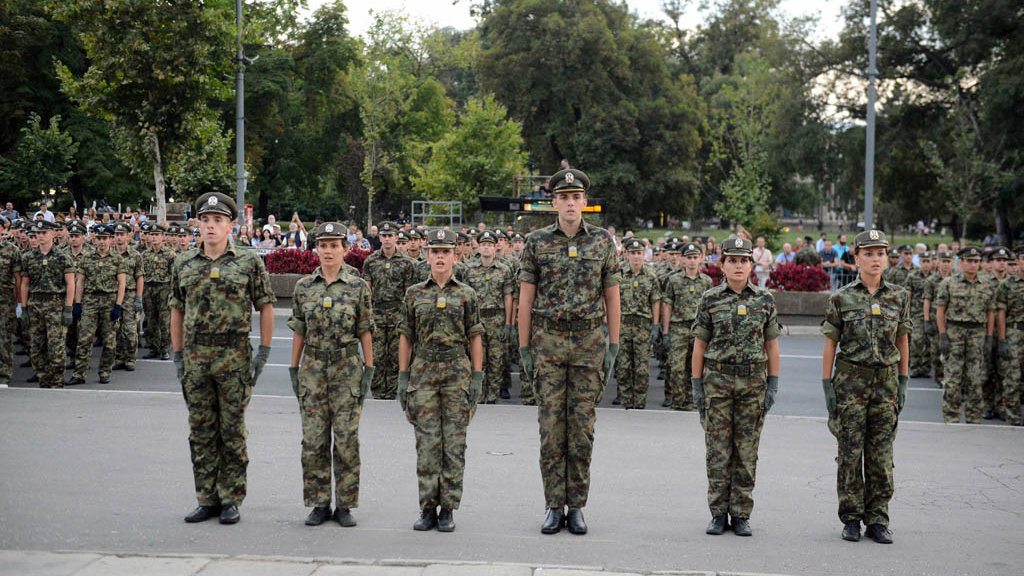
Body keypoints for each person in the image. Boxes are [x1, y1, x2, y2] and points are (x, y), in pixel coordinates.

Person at [518, 168, 621, 535]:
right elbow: (526, 298)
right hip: (548, 343)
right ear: (554, 202)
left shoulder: (602, 243)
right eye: (564, 197)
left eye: (577, 197)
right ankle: (552, 504)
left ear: (585, 202)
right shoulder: (537, 243)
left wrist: (613, 344)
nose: (571, 203)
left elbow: (612, 296)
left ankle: (576, 506)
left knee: (581, 430)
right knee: (550, 428)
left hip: (588, 345)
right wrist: (525, 346)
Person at [170, 192, 276, 525]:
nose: (211, 226)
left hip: (233, 357)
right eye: (205, 220)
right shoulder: (184, 263)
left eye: (218, 221)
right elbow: (176, 309)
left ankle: (231, 498)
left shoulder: (247, 262)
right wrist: (177, 355)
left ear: (231, 225)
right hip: (196, 357)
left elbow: (266, 306)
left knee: (232, 431)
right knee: (200, 430)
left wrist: (264, 352)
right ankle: (207, 498)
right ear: (198, 224)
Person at [820, 229, 910, 544]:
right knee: (849, 453)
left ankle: (877, 519)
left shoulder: (899, 296)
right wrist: (826, 384)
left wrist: (903, 379)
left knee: (881, 455)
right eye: (868, 253)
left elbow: (902, 338)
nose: (875, 259)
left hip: (885, 383)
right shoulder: (841, 297)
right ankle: (851, 519)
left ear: (886, 257)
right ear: (856, 257)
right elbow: (831, 343)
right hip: (850, 382)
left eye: (880, 253)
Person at [691, 236, 781, 537]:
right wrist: (696, 386)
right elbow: (699, 345)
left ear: (751, 265)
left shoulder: (764, 300)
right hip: (717, 382)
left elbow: (772, 345)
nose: (738, 266)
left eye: (743, 260)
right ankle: (718, 513)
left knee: (746, 452)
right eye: (733, 260)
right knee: (717, 451)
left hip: (752, 384)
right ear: (722, 265)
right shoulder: (710, 299)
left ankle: (741, 514)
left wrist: (773, 384)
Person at [288, 222, 374, 527]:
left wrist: (369, 368)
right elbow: (299, 329)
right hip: (312, 368)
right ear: (316, 249)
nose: (327, 251)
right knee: (313, 439)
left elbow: (364, 329)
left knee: (347, 439)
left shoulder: (357, 287)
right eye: (322, 245)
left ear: (345, 249)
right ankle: (319, 502)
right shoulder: (304, 287)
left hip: (347, 368)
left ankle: (345, 504)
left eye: (333, 245)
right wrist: (293, 368)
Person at [397, 229, 484, 532]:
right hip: (423, 373)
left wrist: (477, 377)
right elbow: (406, 335)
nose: (440, 257)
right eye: (435, 252)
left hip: (456, 373)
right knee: (427, 444)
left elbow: (475, 337)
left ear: (455, 256)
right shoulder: (414, 293)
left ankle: (448, 508)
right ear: (427, 255)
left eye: (445, 252)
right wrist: (403, 376)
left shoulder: (467, 294)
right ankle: (427, 508)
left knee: (454, 444)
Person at [935, 247, 996, 424]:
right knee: (953, 378)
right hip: (954, 332)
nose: (972, 265)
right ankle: (951, 417)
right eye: (969, 261)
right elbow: (940, 311)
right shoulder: (948, 283)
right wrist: (943, 335)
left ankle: (974, 417)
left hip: (977, 333)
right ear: (960, 262)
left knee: (975, 378)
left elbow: (990, 312)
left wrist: (989, 337)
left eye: (976, 261)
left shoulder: (987, 284)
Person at [361, 222, 418, 400]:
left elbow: (409, 292)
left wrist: (408, 317)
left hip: (397, 312)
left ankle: (393, 390)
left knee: (395, 354)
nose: (387, 239)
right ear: (380, 238)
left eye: (390, 236)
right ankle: (378, 391)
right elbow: (367, 290)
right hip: (377, 312)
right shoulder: (371, 261)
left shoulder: (407, 263)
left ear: (396, 237)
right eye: (384, 236)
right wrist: (366, 313)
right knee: (377, 354)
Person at [19, 220, 75, 388]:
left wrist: (68, 308)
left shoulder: (62, 256)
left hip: (55, 304)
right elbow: (25, 284)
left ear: (52, 234)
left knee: (55, 345)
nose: (40, 236)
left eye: (44, 233)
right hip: (35, 304)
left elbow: (70, 283)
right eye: (38, 233)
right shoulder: (29, 257)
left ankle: (57, 379)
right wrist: (23, 308)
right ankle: (43, 377)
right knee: (36, 345)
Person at [68, 224, 126, 385]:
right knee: (84, 339)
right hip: (90, 301)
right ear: (94, 239)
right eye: (99, 238)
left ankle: (105, 371)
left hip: (109, 301)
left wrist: (118, 305)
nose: (101, 242)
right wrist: (77, 303)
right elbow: (80, 282)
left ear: (111, 239)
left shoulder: (117, 259)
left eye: (105, 238)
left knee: (109, 341)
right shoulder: (86, 258)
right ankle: (79, 373)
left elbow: (122, 283)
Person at [461, 230, 514, 404]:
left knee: (496, 359)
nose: (486, 248)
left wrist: (508, 323)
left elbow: (508, 297)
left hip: (497, 319)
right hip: (477, 319)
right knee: (477, 357)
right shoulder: (469, 269)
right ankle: (479, 392)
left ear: (495, 247)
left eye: (490, 245)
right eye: (483, 244)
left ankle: (492, 395)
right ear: (478, 247)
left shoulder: (504, 269)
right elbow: (465, 297)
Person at [662, 242, 713, 410]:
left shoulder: (707, 282)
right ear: (683, 259)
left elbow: (711, 308)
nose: (692, 261)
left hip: (698, 329)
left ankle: (693, 400)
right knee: (676, 366)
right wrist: (666, 331)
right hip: (679, 328)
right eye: (689, 257)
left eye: (695, 257)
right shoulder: (674, 280)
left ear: (701, 259)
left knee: (696, 367)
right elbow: (668, 305)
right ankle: (678, 400)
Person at [614, 237, 661, 409]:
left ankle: (639, 403)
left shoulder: (651, 276)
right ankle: (626, 401)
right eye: (633, 253)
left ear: (644, 254)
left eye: (639, 253)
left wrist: (656, 325)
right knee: (623, 366)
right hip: (623, 324)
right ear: (626, 254)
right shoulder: (618, 274)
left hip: (642, 325)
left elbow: (656, 300)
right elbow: (611, 299)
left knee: (642, 367)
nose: (636, 257)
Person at [111, 222, 145, 372]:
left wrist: (139, 298)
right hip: (113, 295)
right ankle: (119, 357)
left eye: (122, 234)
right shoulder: (109, 254)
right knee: (116, 329)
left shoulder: (135, 255)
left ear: (129, 235)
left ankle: (130, 358)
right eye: (117, 234)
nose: (119, 238)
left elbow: (140, 278)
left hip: (130, 295)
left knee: (130, 329)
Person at [996, 249, 1024, 426]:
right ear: (1018, 261)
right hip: (1015, 333)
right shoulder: (1007, 284)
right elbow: (1001, 313)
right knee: (1012, 375)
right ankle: (1012, 414)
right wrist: (1002, 338)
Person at [142, 225, 175, 360]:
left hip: (164, 289)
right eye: (152, 235)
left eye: (157, 235)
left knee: (164, 320)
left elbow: (173, 275)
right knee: (150, 320)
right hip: (148, 289)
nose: (154, 237)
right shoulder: (145, 255)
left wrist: (172, 293)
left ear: (163, 237)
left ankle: (165, 348)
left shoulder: (170, 254)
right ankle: (153, 348)